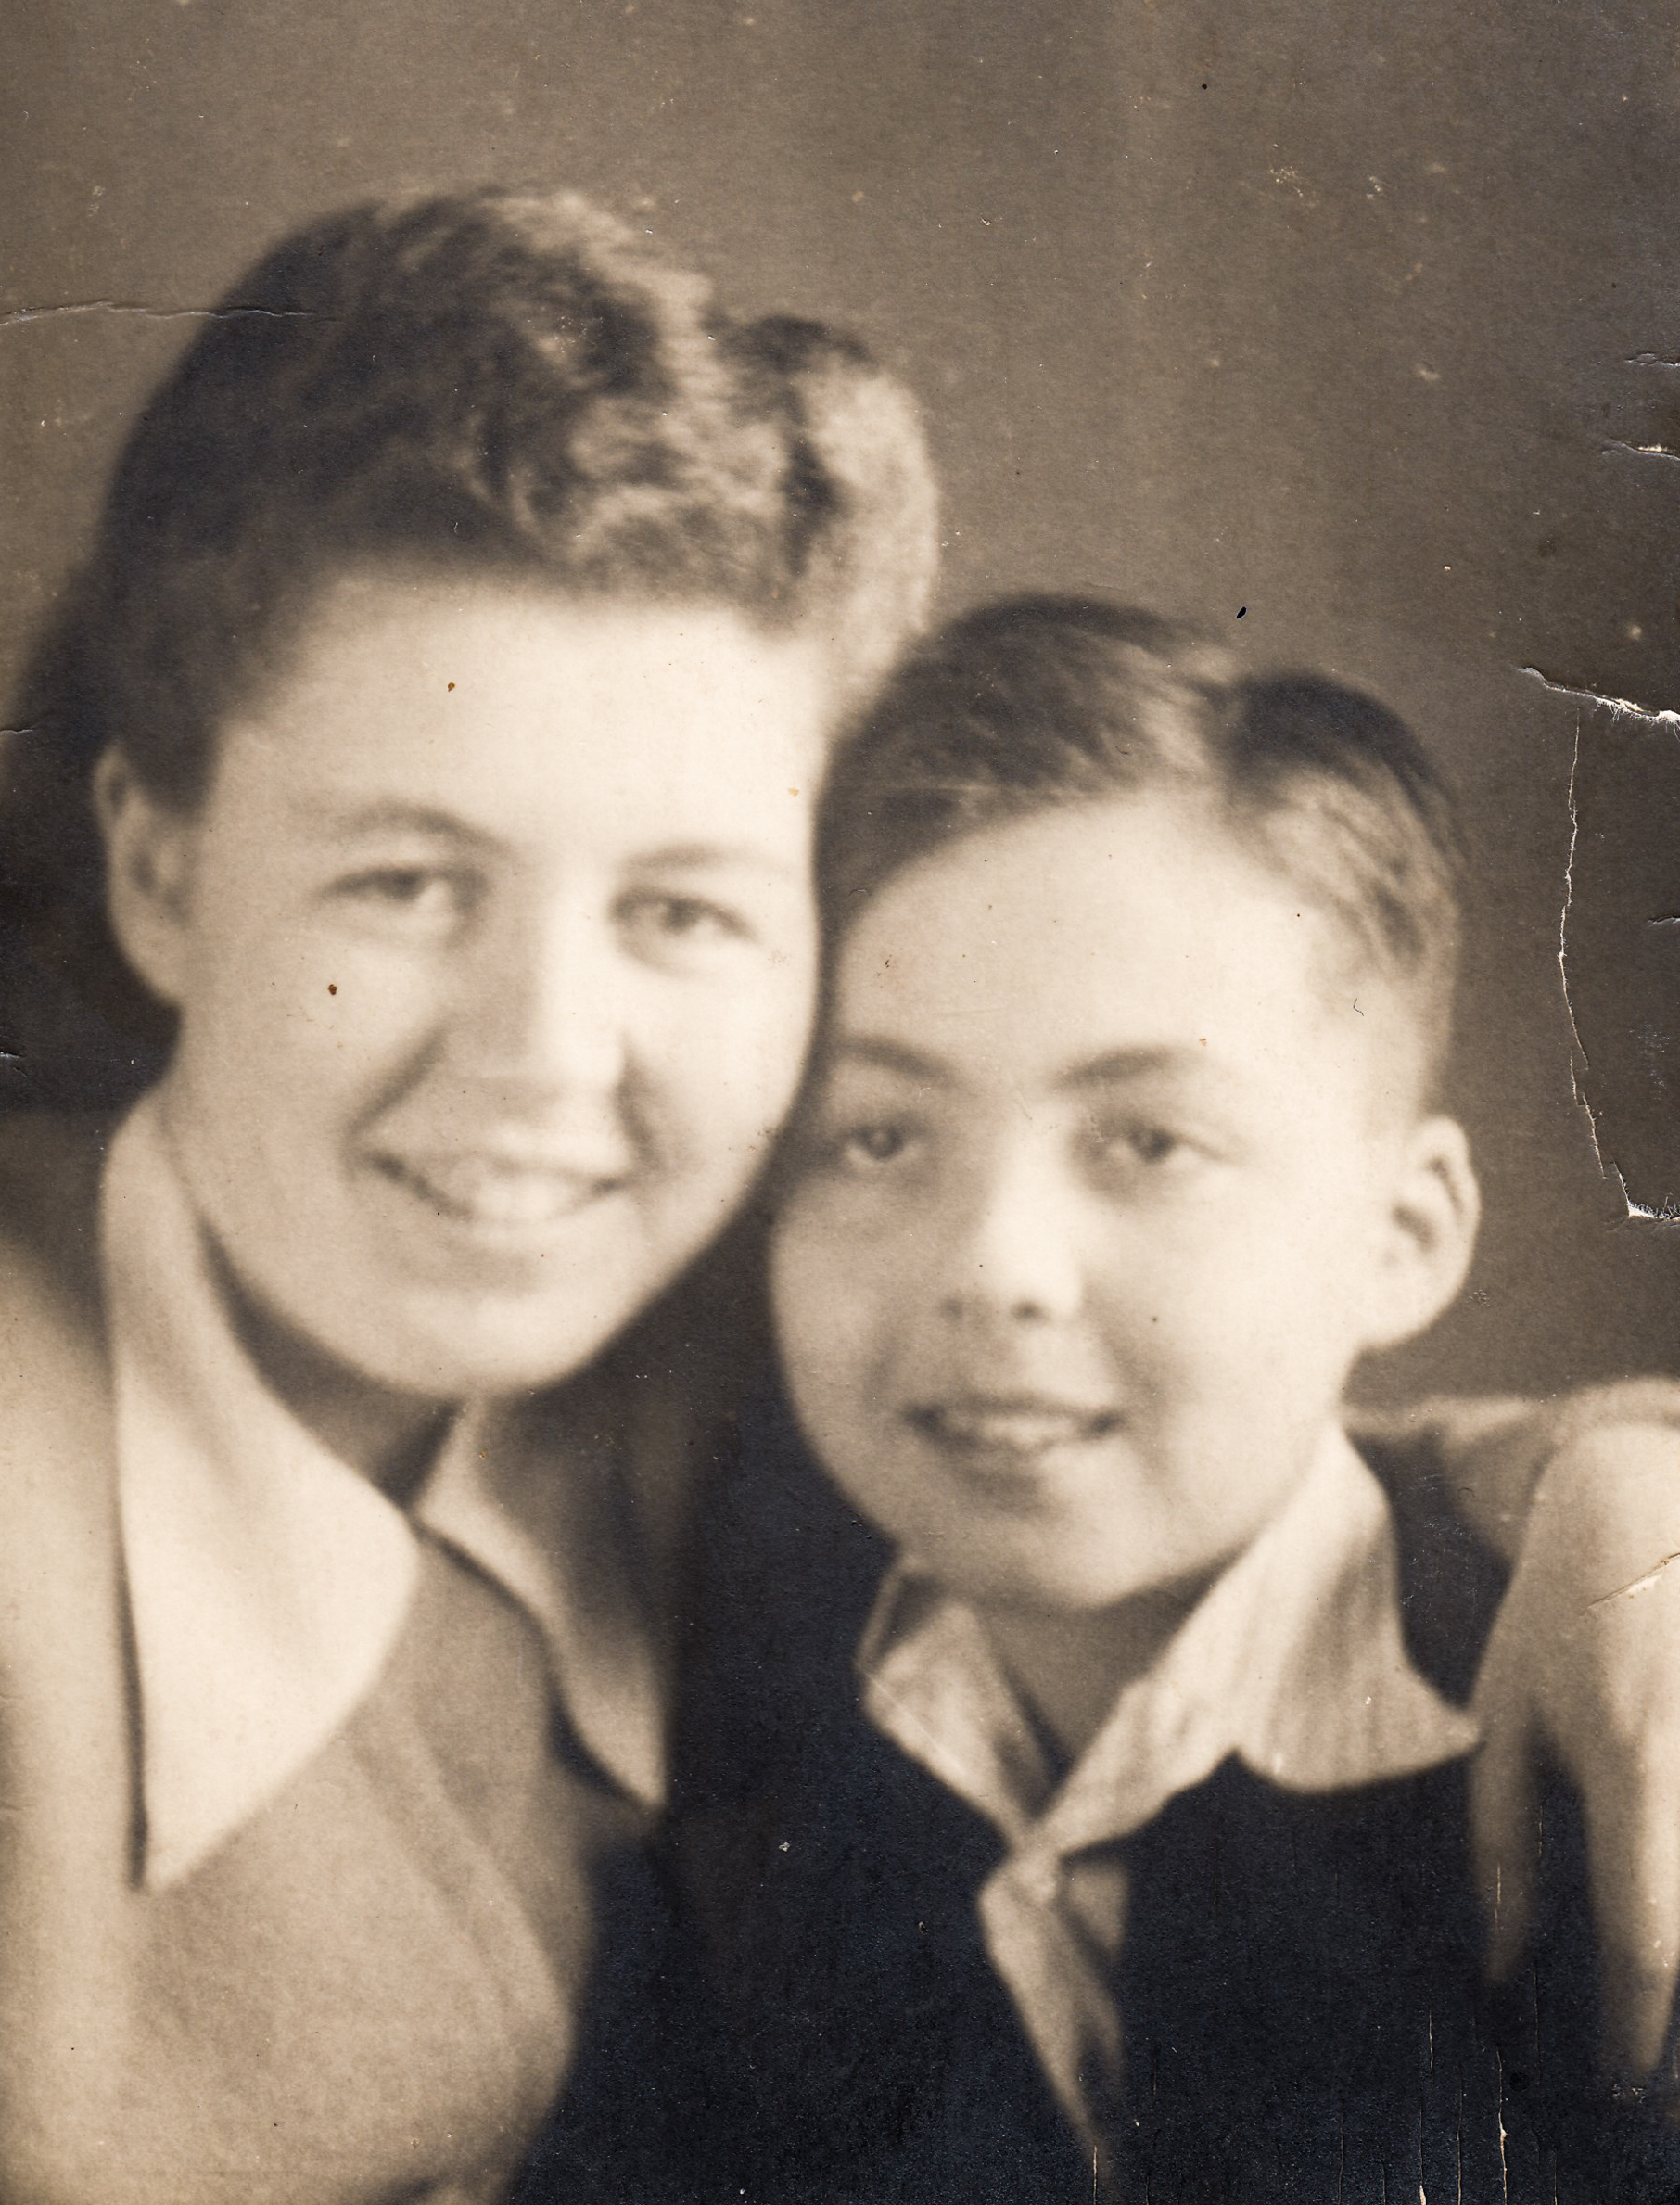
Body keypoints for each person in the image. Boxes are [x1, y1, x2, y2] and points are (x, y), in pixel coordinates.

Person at [0, 185, 938, 2203]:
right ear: (159, 874)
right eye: (408, 884)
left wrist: (1577, 1499)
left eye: (684, 911)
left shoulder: (740, 1355)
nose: (544, 1054)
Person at [644, 599, 1680, 2200]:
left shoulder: (1617, 1753)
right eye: (877, 1137)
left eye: (1149, 1142)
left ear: (1403, 1237)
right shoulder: (747, 1688)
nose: (996, 1270)